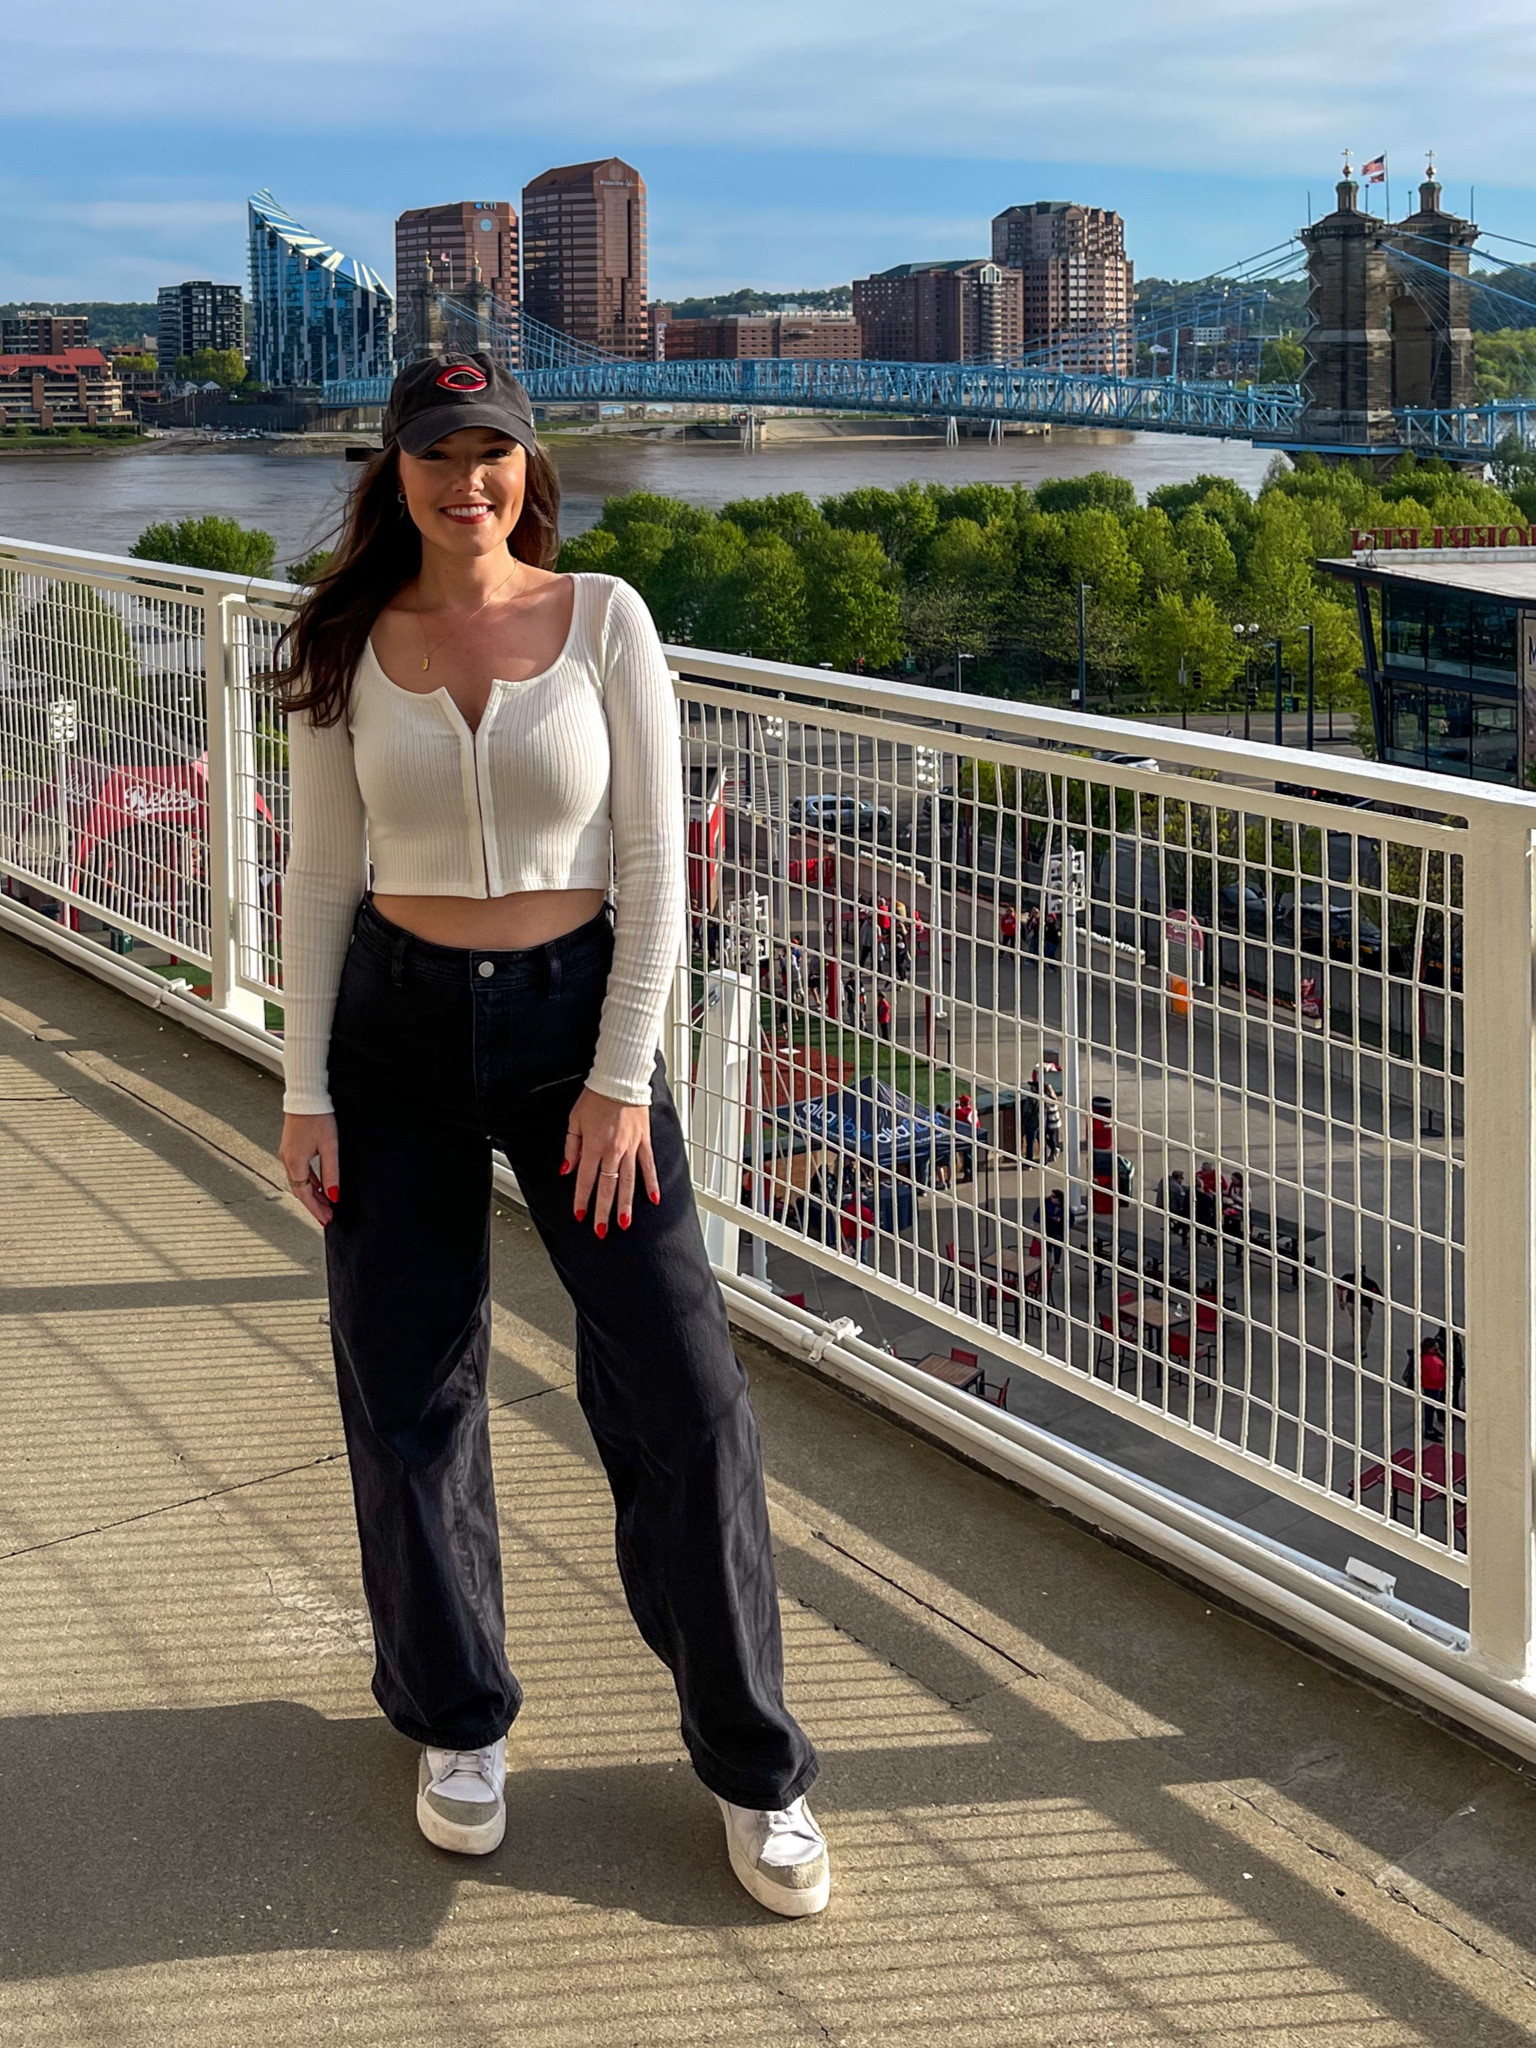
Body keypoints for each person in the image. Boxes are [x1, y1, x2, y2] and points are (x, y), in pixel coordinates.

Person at [274, 353, 826, 1917]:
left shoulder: (606, 620)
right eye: (440, 457)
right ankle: (455, 1723)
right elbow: (319, 884)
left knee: (687, 1394)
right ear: (396, 474)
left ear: (530, 468)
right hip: (390, 1036)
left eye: (494, 454)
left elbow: (655, 863)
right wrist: (304, 1090)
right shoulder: (343, 640)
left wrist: (616, 1077)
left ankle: (755, 1766)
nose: (471, 483)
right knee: (407, 1392)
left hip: (579, 1029)